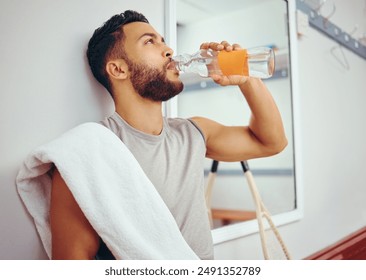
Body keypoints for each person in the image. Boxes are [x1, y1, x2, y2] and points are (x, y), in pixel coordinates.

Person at [50, 10, 287, 260]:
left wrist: (246, 79)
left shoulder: (193, 132)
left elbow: (272, 142)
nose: (169, 50)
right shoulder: (89, 153)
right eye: (150, 41)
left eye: (163, 40)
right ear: (118, 69)